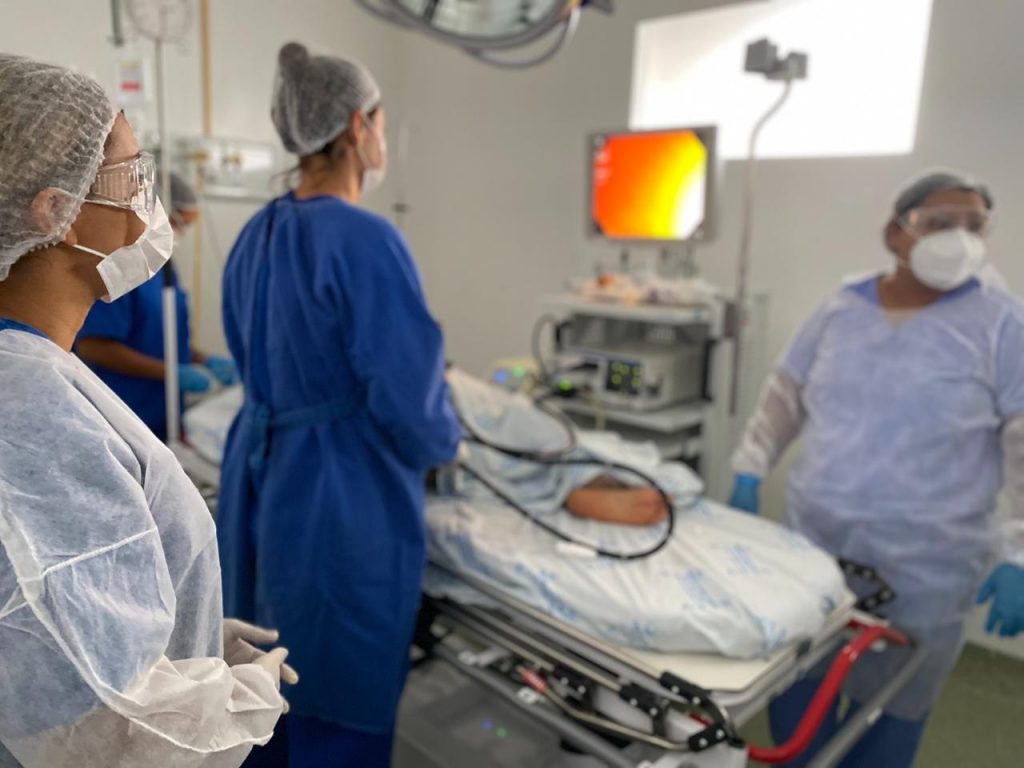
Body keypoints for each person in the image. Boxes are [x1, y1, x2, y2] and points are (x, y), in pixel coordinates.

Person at [0, 54, 296, 767]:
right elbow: (115, 738)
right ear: (56, 211)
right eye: (131, 175)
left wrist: (175, 638)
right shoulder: (33, 411)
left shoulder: (40, 377)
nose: (147, 199)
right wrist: (228, 700)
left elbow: (41, 625)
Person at [217, 42, 462, 767]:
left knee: (259, 691)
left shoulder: (256, 233)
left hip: (258, 477)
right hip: (339, 498)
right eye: (380, 122)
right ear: (358, 126)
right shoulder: (366, 240)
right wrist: (447, 442)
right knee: (333, 685)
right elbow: (414, 406)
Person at [727, 170, 1024, 767]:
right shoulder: (841, 308)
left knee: (891, 711)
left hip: (927, 566)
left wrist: (1020, 552)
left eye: (974, 226)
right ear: (896, 233)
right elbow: (785, 395)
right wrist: (750, 469)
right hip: (818, 543)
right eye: (940, 223)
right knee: (798, 697)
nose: (960, 238)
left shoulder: (1001, 323)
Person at [76, 170, 238, 441]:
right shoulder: (123, 269)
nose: (181, 233)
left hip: (165, 416)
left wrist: (205, 360)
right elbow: (93, 347)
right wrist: (170, 373)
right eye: (179, 223)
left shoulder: (164, 269)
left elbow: (162, 338)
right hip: (123, 417)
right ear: (156, 212)